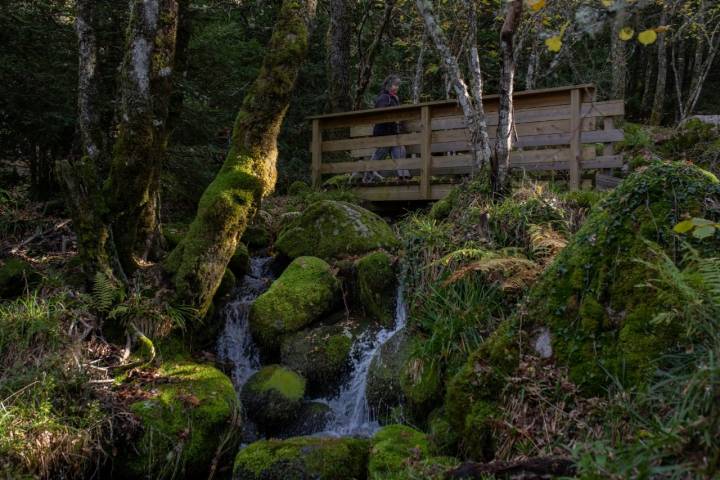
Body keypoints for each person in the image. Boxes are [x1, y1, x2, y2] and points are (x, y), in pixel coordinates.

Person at [363, 75, 411, 183]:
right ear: (388, 85)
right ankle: (367, 179)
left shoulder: (394, 98)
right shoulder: (384, 97)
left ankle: (403, 177)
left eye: (398, 85)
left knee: (400, 150)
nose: (396, 87)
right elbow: (380, 115)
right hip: (383, 134)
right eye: (394, 85)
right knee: (379, 156)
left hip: (394, 134)